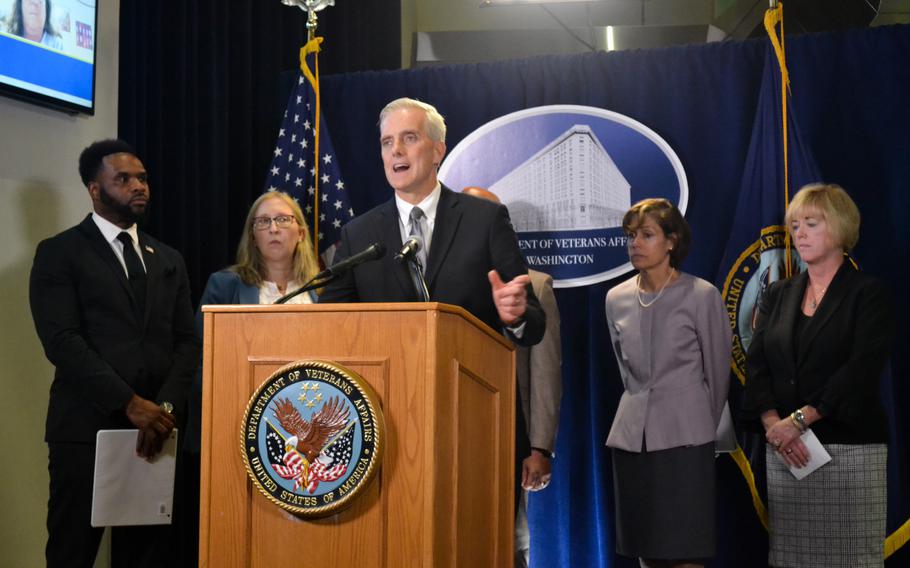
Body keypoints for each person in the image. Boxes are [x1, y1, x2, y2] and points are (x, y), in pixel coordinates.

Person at [29, 139, 199, 567]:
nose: (138, 186)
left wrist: (161, 409)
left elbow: (186, 341)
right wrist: (129, 404)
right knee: (72, 552)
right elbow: (63, 342)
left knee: (146, 556)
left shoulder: (169, 259)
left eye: (141, 178)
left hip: (156, 433)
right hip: (86, 430)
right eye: (122, 179)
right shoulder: (60, 252)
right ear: (94, 189)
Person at [742, 183, 894, 567]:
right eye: (795, 226)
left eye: (811, 223)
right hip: (788, 454)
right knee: (792, 559)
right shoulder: (777, 293)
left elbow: (860, 370)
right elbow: (757, 364)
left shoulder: (868, 293)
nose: (800, 234)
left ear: (840, 228)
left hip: (848, 452)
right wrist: (774, 423)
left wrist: (799, 420)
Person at [604, 198, 731, 568]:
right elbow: (625, 370)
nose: (635, 245)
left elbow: (718, 373)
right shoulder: (616, 298)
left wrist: (696, 424)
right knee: (646, 548)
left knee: (684, 550)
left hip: (686, 439)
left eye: (647, 235)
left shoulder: (702, 295)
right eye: (631, 236)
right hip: (631, 439)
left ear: (671, 242)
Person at [461, 186, 562, 568]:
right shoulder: (437, 281)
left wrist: (539, 448)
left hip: (510, 439)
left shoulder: (533, 285)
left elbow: (546, 371)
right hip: (453, 435)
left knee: (509, 543)